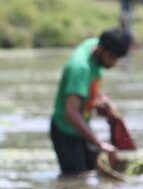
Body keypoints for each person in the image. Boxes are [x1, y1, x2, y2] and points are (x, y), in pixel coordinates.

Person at [50, 28, 131, 175]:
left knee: (91, 173)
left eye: (117, 59)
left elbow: (88, 87)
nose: (114, 63)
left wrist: (100, 100)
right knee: (76, 179)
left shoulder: (93, 46)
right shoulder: (80, 68)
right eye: (112, 58)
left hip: (82, 128)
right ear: (100, 49)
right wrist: (98, 143)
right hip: (66, 131)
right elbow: (70, 112)